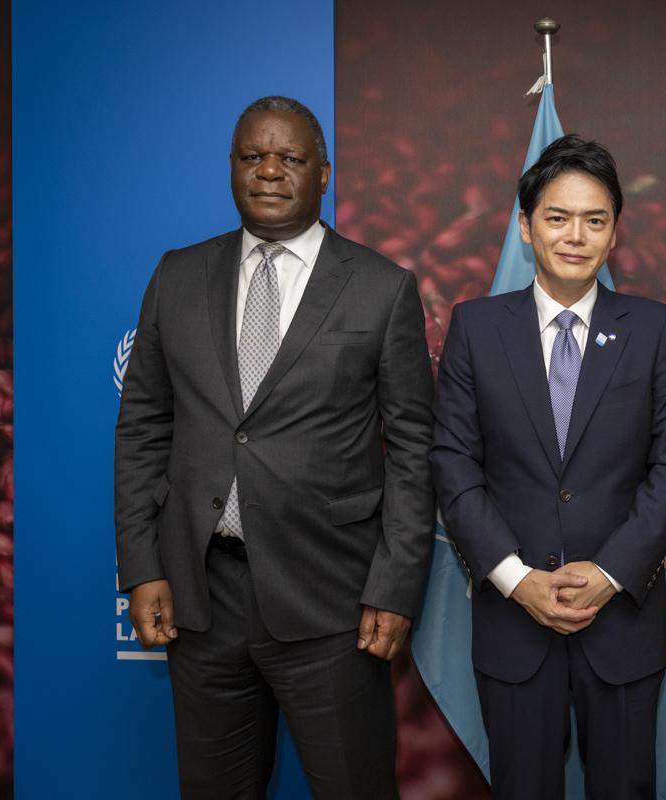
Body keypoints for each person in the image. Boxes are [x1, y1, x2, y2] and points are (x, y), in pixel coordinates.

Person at [114, 96, 434, 799]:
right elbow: (142, 426)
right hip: (203, 598)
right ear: (231, 167)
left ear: (323, 173)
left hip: (335, 605)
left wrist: (394, 586)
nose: (268, 171)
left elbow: (414, 449)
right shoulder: (176, 276)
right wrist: (142, 565)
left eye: (289, 158)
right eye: (252, 156)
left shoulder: (382, 289)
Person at [429, 135, 666, 799]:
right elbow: (453, 462)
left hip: (623, 620)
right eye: (557, 217)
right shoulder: (476, 327)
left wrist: (608, 574)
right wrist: (517, 579)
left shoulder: (654, 329)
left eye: (594, 219)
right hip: (513, 619)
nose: (575, 236)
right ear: (526, 227)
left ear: (614, 232)